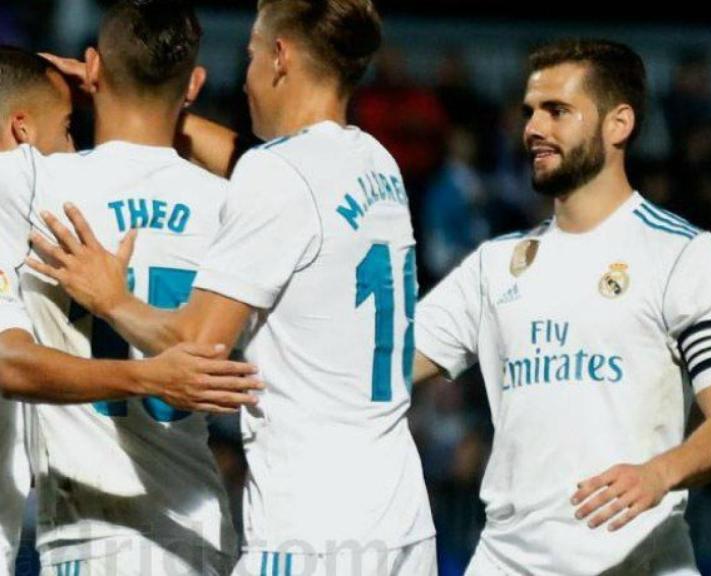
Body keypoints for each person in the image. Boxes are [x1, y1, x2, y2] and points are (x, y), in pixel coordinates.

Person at [31, 1, 436, 573]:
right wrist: (138, 93)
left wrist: (111, 297)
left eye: (249, 56)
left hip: (311, 529)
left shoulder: (277, 175)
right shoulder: (375, 160)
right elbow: (273, 174)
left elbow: (195, 350)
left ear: (280, 57)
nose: (243, 79)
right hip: (402, 519)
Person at [412, 39, 711, 575]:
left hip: (637, 561)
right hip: (507, 562)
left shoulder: (680, 253)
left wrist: (658, 474)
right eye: (530, 111)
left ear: (618, 124)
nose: (533, 128)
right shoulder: (495, 265)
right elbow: (380, 367)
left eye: (557, 111)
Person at [0, 3, 269, 573]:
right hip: (198, 532)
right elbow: (287, 170)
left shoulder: (34, 182)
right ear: (194, 83)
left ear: (92, 68)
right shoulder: (241, 204)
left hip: (91, 538)